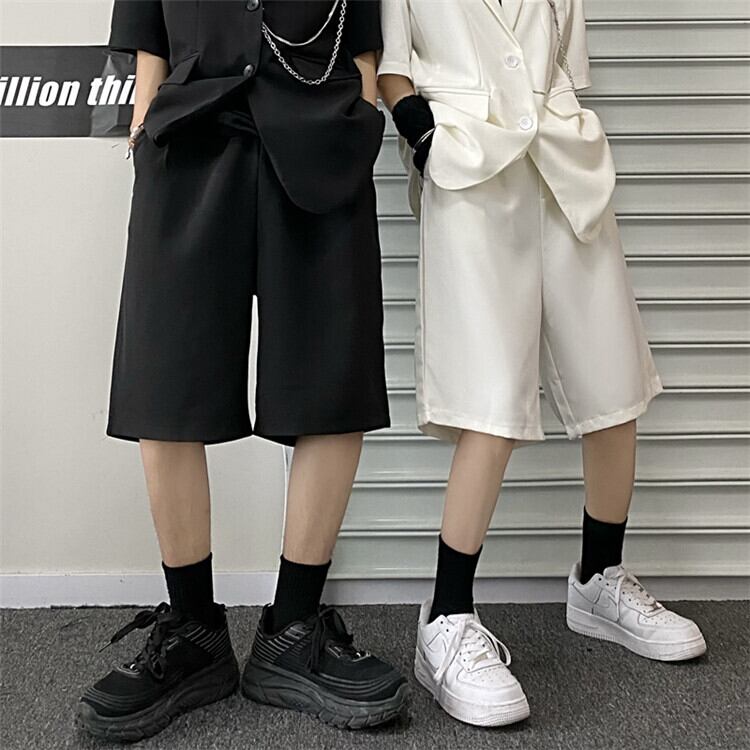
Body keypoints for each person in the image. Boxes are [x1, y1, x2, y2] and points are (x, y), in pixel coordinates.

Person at [77, 1, 407, 740]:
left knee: (333, 379)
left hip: (323, 139)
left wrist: (358, 115)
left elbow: (363, 40)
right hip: (187, 133)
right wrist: (145, 121)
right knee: (163, 382)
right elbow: (147, 30)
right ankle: (193, 631)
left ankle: (292, 630)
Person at [378, 0, 706, 728]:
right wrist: (423, 136)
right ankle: (447, 616)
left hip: (562, 160)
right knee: (490, 401)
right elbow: (392, 69)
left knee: (613, 381)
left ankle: (599, 579)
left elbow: (564, 61)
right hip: (470, 169)